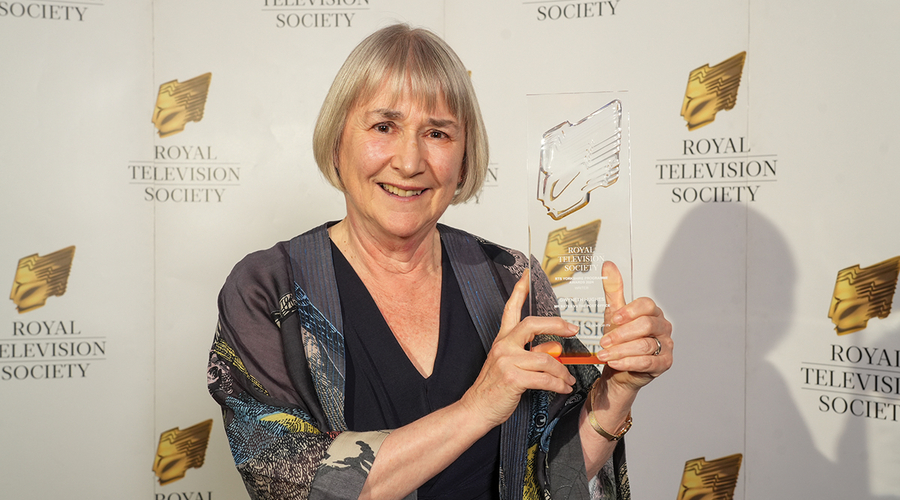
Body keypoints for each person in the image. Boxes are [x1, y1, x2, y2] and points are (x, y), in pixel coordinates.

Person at [207, 23, 672, 500]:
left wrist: (617, 392)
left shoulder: (510, 280)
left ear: (465, 159)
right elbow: (292, 483)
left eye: (437, 133)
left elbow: (555, 481)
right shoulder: (268, 289)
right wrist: (478, 408)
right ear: (336, 141)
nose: (410, 162)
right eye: (384, 126)